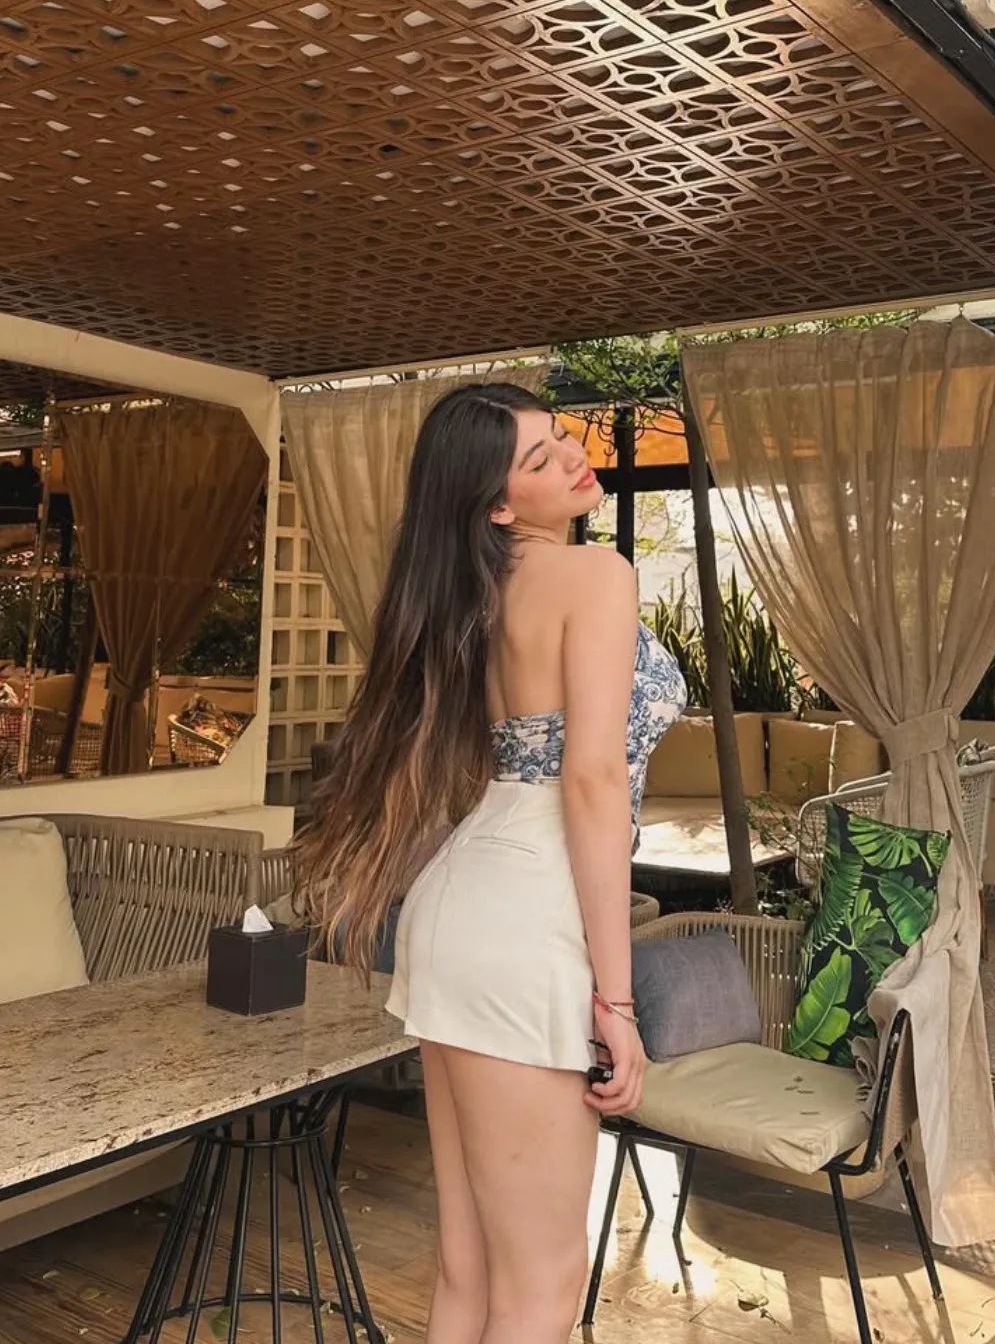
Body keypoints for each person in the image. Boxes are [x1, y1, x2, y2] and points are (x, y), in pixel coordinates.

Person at [294, 382, 686, 1344]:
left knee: (469, 1269)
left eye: (561, 438)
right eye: (539, 458)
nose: (572, 457)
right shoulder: (593, 573)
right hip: (523, 916)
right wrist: (616, 1000)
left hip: (463, 902)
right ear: (499, 506)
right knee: (544, 1285)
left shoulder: (476, 596)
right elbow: (592, 780)